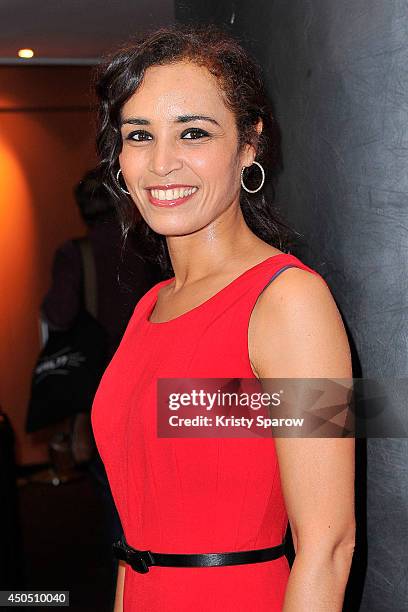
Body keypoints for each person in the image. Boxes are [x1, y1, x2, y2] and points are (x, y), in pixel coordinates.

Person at [91, 24, 355, 612]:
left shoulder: (292, 301)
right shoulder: (148, 307)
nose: (162, 163)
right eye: (140, 135)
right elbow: (138, 535)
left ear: (248, 144)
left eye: (192, 133)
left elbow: (330, 547)